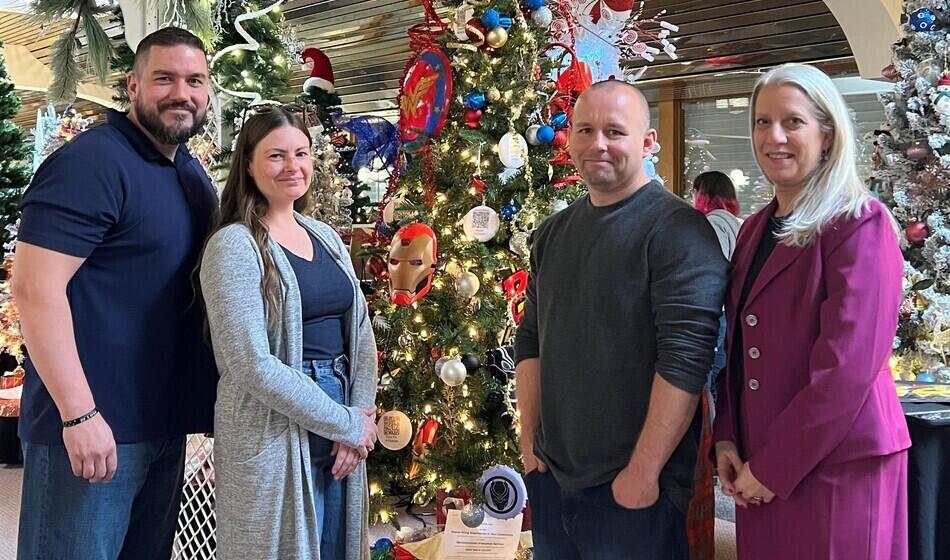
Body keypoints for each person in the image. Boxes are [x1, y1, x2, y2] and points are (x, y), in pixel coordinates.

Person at [12, 27, 218, 559]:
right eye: (164, 79)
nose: (182, 93)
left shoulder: (189, 173)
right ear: (133, 86)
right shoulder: (93, 163)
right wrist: (79, 414)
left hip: (163, 426)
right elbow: (35, 288)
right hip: (92, 430)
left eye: (195, 80)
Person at [514, 79, 728, 559]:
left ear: (648, 142)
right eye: (585, 130)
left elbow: (686, 361)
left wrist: (644, 473)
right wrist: (531, 446)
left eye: (615, 131)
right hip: (553, 479)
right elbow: (531, 342)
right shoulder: (554, 233)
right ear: (568, 138)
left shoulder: (679, 231)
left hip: (636, 492)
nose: (598, 144)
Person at [713, 63, 910, 559]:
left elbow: (846, 371)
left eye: (792, 122)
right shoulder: (755, 228)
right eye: (762, 121)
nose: (773, 136)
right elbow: (736, 346)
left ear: (826, 133)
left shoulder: (859, 223)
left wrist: (774, 466)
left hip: (838, 466)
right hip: (761, 461)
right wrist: (728, 436)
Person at [199, 105, 378, 560]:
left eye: (301, 153)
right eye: (276, 155)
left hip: (340, 403)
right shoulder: (233, 245)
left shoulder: (325, 236)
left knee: (337, 546)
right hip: (272, 421)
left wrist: (358, 411)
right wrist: (348, 425)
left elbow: (359, 333)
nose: (292, 166)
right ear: (249, 164)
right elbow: (250, 365)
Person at [687, 171, 742, 559]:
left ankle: (708, 464)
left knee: (704, 391)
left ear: (702, 195)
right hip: (735, 322)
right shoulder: (744, 226)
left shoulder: (705, 227)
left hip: (711, 319)